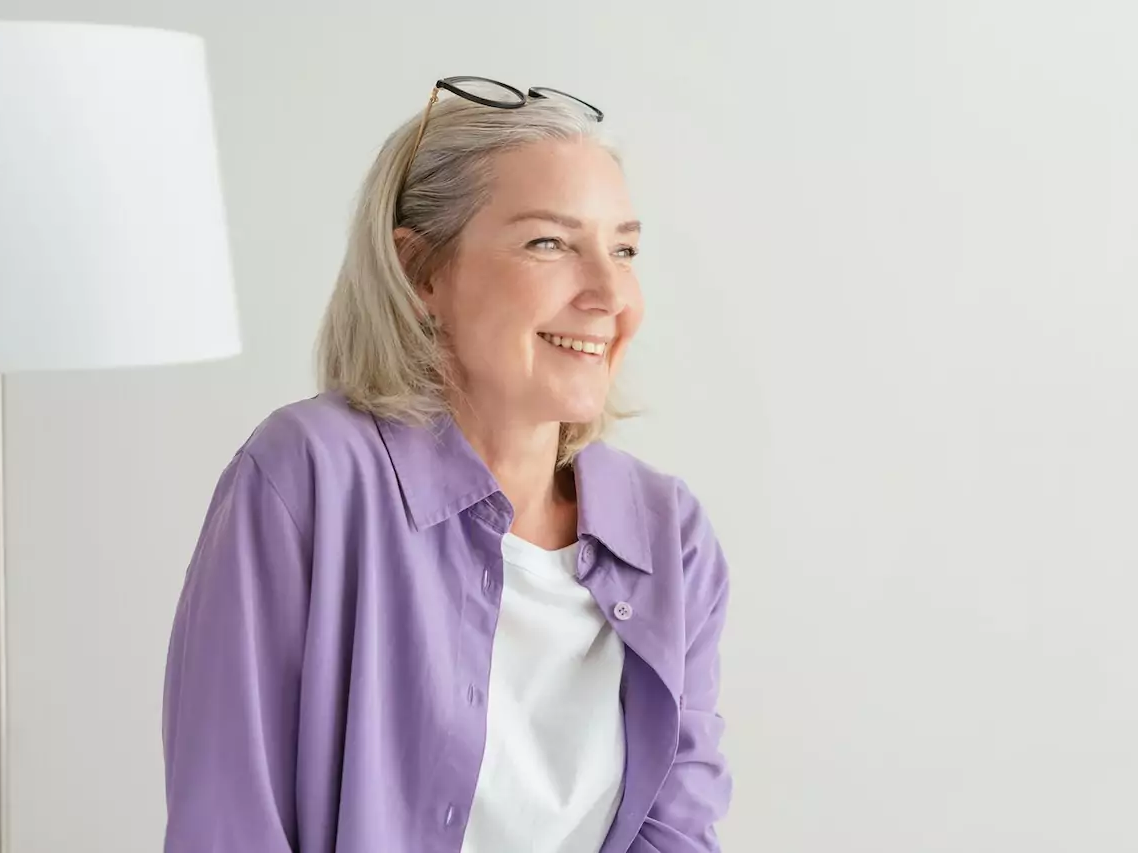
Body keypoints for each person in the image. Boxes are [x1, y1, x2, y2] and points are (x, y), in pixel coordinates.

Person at [161, 76, 733, 853]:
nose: (608, 292)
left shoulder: (669, 534)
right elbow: (229, 822)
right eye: (549, 243)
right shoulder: (310, 477)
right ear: (421, 272)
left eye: (623, 248)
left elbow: (678, 829)